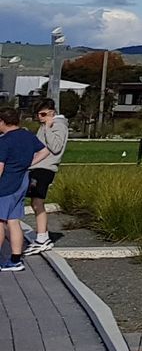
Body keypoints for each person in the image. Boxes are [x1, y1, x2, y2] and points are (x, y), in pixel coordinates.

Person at [0, 108, 50, 272]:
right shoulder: (28, 136)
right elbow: (45, 150)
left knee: (0, 222)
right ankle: (15, 259)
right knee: (14, 221)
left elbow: (0, 167)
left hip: (6, 184)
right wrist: (29, 163)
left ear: (2, 121)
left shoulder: (4, 141)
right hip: (22, 182)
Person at [25, 99, 67, 256]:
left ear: (52, 112)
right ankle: (42, 235)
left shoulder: (58, 125)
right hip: (37, 166)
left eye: (43, 114)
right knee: (35, 201)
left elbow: (56, 147)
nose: (40, 118)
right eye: (38, 115)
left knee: (38, 201)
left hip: (45, 168)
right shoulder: (45, 125)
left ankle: (42, 239)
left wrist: (48, 128)